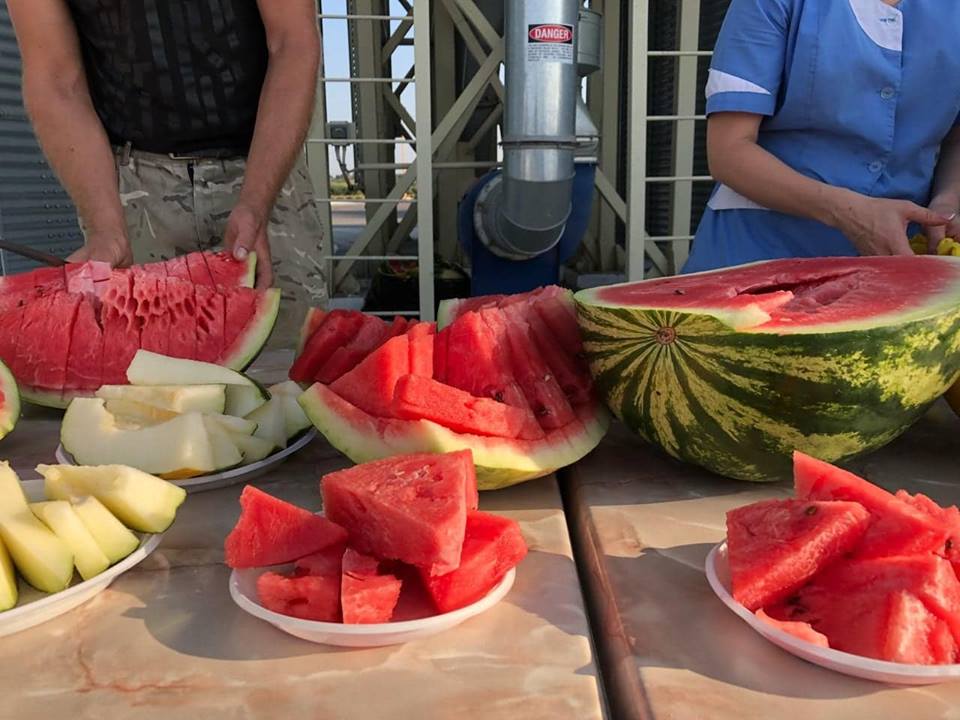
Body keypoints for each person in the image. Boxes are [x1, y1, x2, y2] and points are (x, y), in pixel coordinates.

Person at [7, 0, 327, 343]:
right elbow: (57, 81)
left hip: (264, 173)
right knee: (141, 370)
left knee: (288, 363)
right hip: (131, 191)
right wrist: (105, 227)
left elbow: (292, 42)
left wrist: (256, 202)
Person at [684, 0, 960, 273]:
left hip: (904, 258)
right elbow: (729, 151)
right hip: (759, 250)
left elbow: (954, 136)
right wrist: (850, 213)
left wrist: (947, 202)